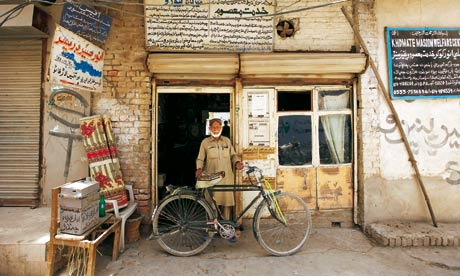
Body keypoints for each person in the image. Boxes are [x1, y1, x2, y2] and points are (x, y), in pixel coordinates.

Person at [196, 118, 243, 219]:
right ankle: (212, 230)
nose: (216, 129)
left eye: (218, 127)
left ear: (221, 127)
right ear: (210, 128)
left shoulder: (227, 141)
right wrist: (199, 168)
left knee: (226, 205)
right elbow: (200, 159)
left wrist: (237, 163)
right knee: (212, 205)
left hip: (226, 179)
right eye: (213, 127)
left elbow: (233, 155)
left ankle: (226, 230)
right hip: (212, 179)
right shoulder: (205, 142)